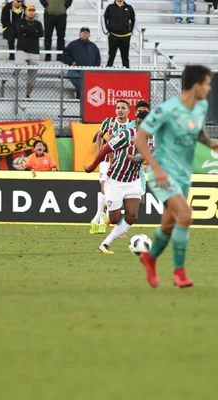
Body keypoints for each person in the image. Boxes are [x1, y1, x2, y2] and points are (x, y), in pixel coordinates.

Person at [135, 65, 216, 289]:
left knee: (169, 225)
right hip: (162, 172)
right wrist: (157, 169)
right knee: (186, 215)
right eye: (207, 84)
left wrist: (210, 143)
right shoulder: (166, 110)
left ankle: (149, 258)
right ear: (197, 86)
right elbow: (140, 139)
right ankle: (179, 273)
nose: (209, 88)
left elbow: (197, 130)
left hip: (182, 174)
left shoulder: (201, 106)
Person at [85, 111, 150, 254]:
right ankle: (106, 203)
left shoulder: (152, 139)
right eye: (138, 123)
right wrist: (91, 167)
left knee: (132, 215)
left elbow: (146, 157)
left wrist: (137, 158)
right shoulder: (126, 135)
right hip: (115, 179)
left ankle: (105, 244)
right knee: (114, 219)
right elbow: (105, 149)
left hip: (133, 181)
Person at [89, 100, 130, 234]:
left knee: (115, 192)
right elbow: (99, 136)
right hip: (107, 161)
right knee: (103, 188)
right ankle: (101, 218)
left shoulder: (131, 126)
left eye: (123, 108)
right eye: (118, 107)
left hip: (122, 162)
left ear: (128, 111)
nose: (120, 110)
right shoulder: (109, 122)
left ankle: (97, 218)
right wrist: (99, 152)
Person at [62, 26, 101, 99]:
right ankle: (84, 94)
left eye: (87, 33)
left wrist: (94, 68)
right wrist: (71, 62)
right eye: (83, 33)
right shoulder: (72, 44)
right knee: (76, 78)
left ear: (89, 35)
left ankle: (81, 93)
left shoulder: (93, 46)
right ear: (79, 34)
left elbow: (98, 59)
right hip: (75, 70)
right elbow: (64, 56)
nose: (85, 34)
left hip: (89, 72)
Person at [15, 4, 43, 98]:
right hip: (22, 49)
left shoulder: (38, 23)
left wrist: (26, 32)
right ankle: (17, 88)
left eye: (33, 11)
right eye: (29, 10)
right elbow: (19, 30)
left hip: (34, 51)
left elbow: (40, 33)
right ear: (25, 12)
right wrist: (33, 31)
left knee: (33, 72)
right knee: (18, 67)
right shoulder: (20, 21)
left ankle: (28, 91)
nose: (31, 12)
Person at [104, 0, 135, 68]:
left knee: (125, 58)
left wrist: (131, 31)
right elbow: (104, 18)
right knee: (111, 56)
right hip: (113, 36)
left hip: (125, 36)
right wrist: (107, 31)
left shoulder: (129, 8)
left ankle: (127, 75)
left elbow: (133, 20)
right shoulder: (110, 7)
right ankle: (107, 74)